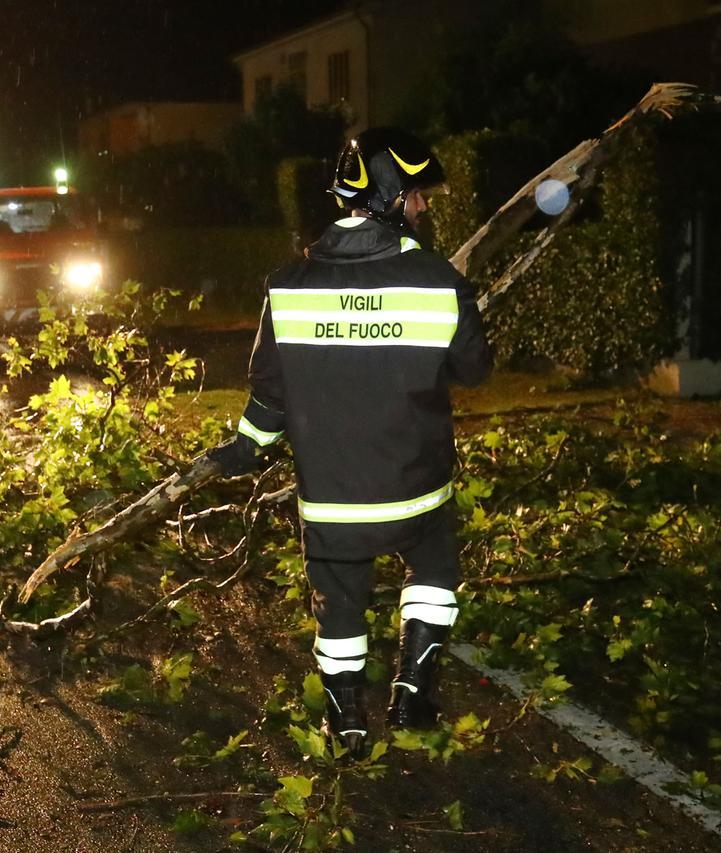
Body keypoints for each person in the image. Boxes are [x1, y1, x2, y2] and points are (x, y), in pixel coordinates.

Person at [208, 127, 493, 757]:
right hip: (418, 496)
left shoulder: (285, 287)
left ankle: (348, 725)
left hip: (333, 504)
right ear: (392, 195)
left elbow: (269, 397)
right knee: (436, 569)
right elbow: (475, 370)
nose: (423, 206)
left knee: (338, 605)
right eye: (417, 195)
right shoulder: (439, 281)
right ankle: (412, 697)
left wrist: (245, 448)